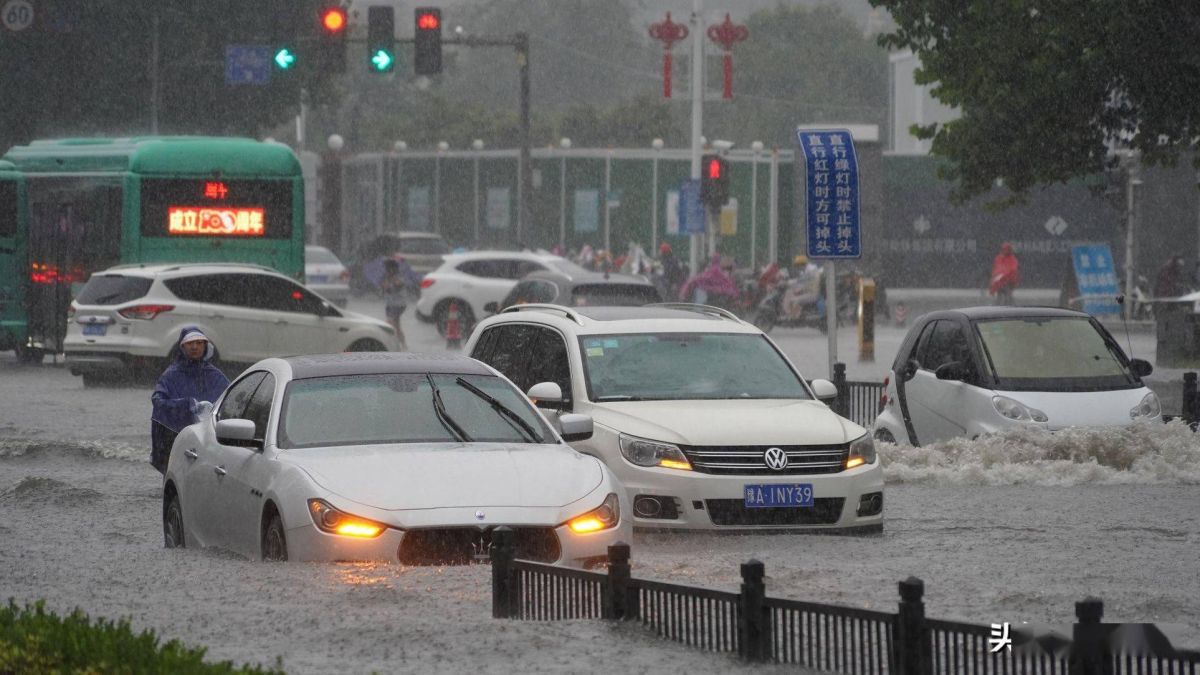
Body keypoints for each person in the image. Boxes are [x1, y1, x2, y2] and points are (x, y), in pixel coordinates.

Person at [150, 327, 230, 475]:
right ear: (182, 347)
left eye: (199, 343)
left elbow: (231, 401)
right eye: (190, 343)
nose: (195, 347)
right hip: (178, 438)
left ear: (205, 346)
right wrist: (187, 406)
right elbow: (158, 402)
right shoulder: (170, 375)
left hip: (208, 438)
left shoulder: (215, 375)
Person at [380, 258, 421, 350]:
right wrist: (385, 285)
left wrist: (392, 283)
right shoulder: (385, 277)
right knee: (397, 326)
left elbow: (399, 285)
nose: (386, 270)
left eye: (388, 268)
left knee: (389, 324)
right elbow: (384, 289)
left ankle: (389, 344)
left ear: (393, 268)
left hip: (398, 305)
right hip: (390, 304)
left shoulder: (399, 276)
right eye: (386, 268)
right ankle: (403, 345)